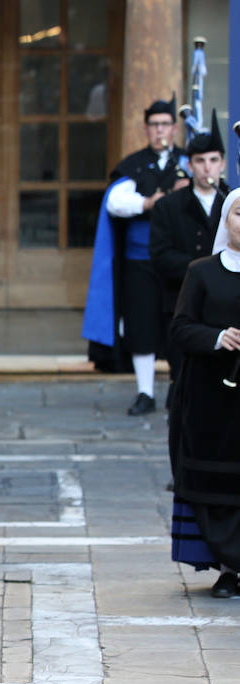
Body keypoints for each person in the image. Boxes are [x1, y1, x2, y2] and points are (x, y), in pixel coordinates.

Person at [84, 97, 191, 411]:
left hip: (177, 261)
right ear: (146, 129)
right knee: (141, 325)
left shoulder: (190, 162)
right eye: (154, 125)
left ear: (174, 128)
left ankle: (177, 387)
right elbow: (116, 201)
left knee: (177, 323)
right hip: (140, 261)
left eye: (165, 125)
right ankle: (146, 392)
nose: (160, 131)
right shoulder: (134, 165)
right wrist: (149, 203)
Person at [168, 189, 240, 599]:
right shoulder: (202, 272)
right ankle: (228, 568)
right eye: (239, 214)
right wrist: (217, 337)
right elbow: (180, 329)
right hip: (213, 399)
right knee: (220, 487)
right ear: (225, 222)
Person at [150, 112, 229, 357]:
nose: (207, 168)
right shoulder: (168, 206)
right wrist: (203, 269)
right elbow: (160, 255)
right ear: (189, 164)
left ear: (222, 163)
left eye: (213, 160)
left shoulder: (233, 202)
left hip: (227, 307)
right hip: (183, 305)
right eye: (200, 160)